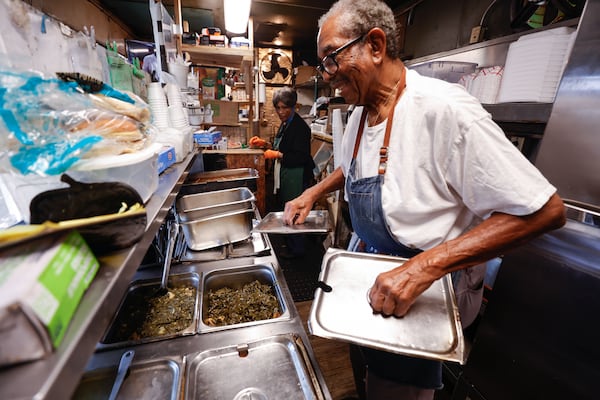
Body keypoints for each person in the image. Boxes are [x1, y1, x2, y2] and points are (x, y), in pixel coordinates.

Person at [282, 0, 566, 399]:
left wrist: (421, 269)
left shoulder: (444, 110)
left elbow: (544, 211)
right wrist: (313, 192)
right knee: (368, 375)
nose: (327, 75)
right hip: (368, 272)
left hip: (424, 290)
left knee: (397, 390)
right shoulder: (361, 114)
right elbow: (352, 167)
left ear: (375, 45)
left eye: (331, 59)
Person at [264, 87, 316, 258]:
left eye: (285, 107)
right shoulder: (286, 123)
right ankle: (290, 245)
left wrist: (278, 154)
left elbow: (301, 157)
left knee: (296, 212)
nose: (281, 112)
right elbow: (283, 146)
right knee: (288, 208)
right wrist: (264, 145)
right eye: (278, 108)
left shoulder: (300, 127)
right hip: (287, 175)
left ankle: (298, 251)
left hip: (298, 176)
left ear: (294, 106)